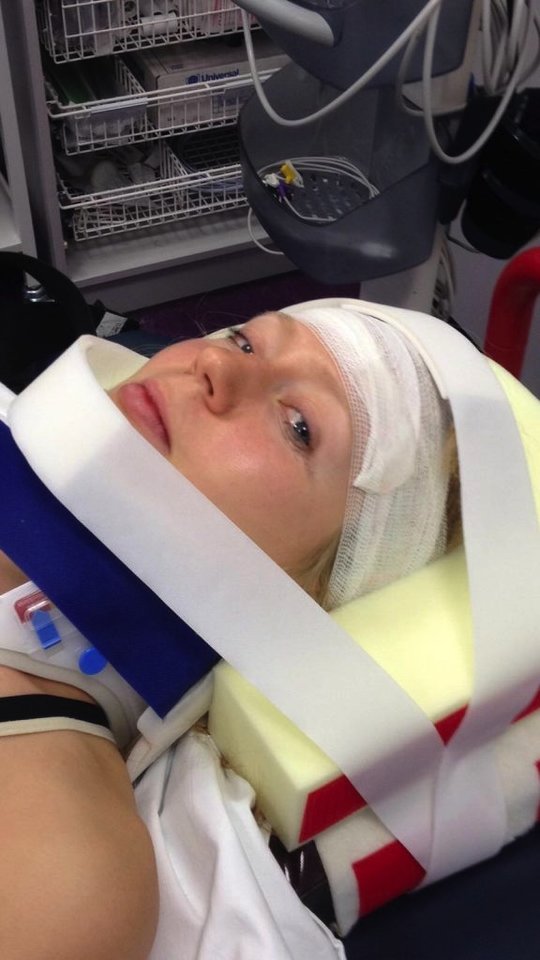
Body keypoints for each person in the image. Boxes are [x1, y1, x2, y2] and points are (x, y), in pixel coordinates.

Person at [0, 301, 459, 960]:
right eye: (245, 341)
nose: (215, 360)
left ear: (308, 594)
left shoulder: (65, 871)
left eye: (299, 427)